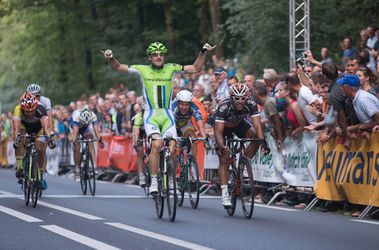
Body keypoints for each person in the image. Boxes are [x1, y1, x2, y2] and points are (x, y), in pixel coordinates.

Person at [102, 41, 215, 194]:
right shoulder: (142, 69)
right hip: (151, 114)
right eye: (155, 54)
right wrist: (110, 58)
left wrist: (203, 52)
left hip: (168, 114)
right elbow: (117, 67)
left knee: (174, 147)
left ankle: (170, 178)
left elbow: (196, 68)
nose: (158, 56)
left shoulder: (171, 68)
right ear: (149, 57)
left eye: (161, 54)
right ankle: (154, 181)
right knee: (156, 144)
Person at [214, 83, 267, 207]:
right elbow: (218, 132)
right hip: (223, 127)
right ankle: (225, 193)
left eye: (243, 98)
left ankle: (244, 161)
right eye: (237, 98)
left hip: (238, 123)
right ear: (231, 98)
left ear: (247, 97)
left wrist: (263, 141)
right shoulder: (223, 107)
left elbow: (258, 125)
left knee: (256, 137)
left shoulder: (251, 104)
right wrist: (222, 147)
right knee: (224, 159)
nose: (240, 101)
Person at [13, 93, 55, 189]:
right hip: (24, 127)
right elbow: (16, 129)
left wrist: (50, 139)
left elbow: (46, 127)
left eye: (32, 111)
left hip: (38, 128)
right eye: (27, 112)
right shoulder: (17, 110)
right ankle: (20, 167)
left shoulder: (40, 109)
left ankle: (40, 174)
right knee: (20, 139)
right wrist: (16, 141)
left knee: (40, 148)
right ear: (22, 108)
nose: (30, 113)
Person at [26, 83, 53, 173]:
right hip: (30, 123)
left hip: (42, 123)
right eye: (31, 95)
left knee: (42, 148)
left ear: (40, 95)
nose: (34, 98)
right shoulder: (25, 101)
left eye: (36, 96)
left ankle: (41, 173)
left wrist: (49, 133)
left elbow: (49, 118)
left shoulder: (45, 101)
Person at [172, 90, 206, 159]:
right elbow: (171, 125)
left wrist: (205, 139)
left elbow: (200, 125)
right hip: (173, 124)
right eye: (182, 104)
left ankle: (193, 162)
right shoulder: (173, 107)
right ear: (178, 103)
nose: (184, 107)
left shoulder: (194, 107)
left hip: (185, 124)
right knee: (173, 143)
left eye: (187, 104)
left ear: (190, 104)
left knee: (192, 137)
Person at [71, 108, 103, 178]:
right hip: (77, 126)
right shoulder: (76, 116)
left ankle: (93, 166)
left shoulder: (93, 116)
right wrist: (74, 141)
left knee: (90, 139)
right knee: (77, 143)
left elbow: (96, 130)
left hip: (88, 127)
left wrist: (100, 140)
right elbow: (75, 132)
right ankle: (77, 167)